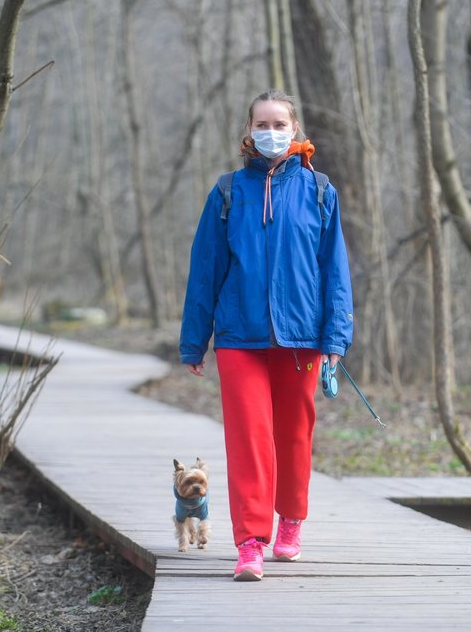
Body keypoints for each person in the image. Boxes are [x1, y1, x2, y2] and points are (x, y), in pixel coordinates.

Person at [179, 90, 353, 581]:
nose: (271, 131)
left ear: (295, 130)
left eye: (279, 123)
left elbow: (335, 272)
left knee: (294, 434)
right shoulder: (228, 192)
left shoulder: (320, 191)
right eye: (262, 122)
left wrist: (335, 339)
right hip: (239, 337)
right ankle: (251, 543)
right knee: (249, 439)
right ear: (248, 130)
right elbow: (205, 271)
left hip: (302, 340)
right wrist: (196, 340)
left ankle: (291, 521)